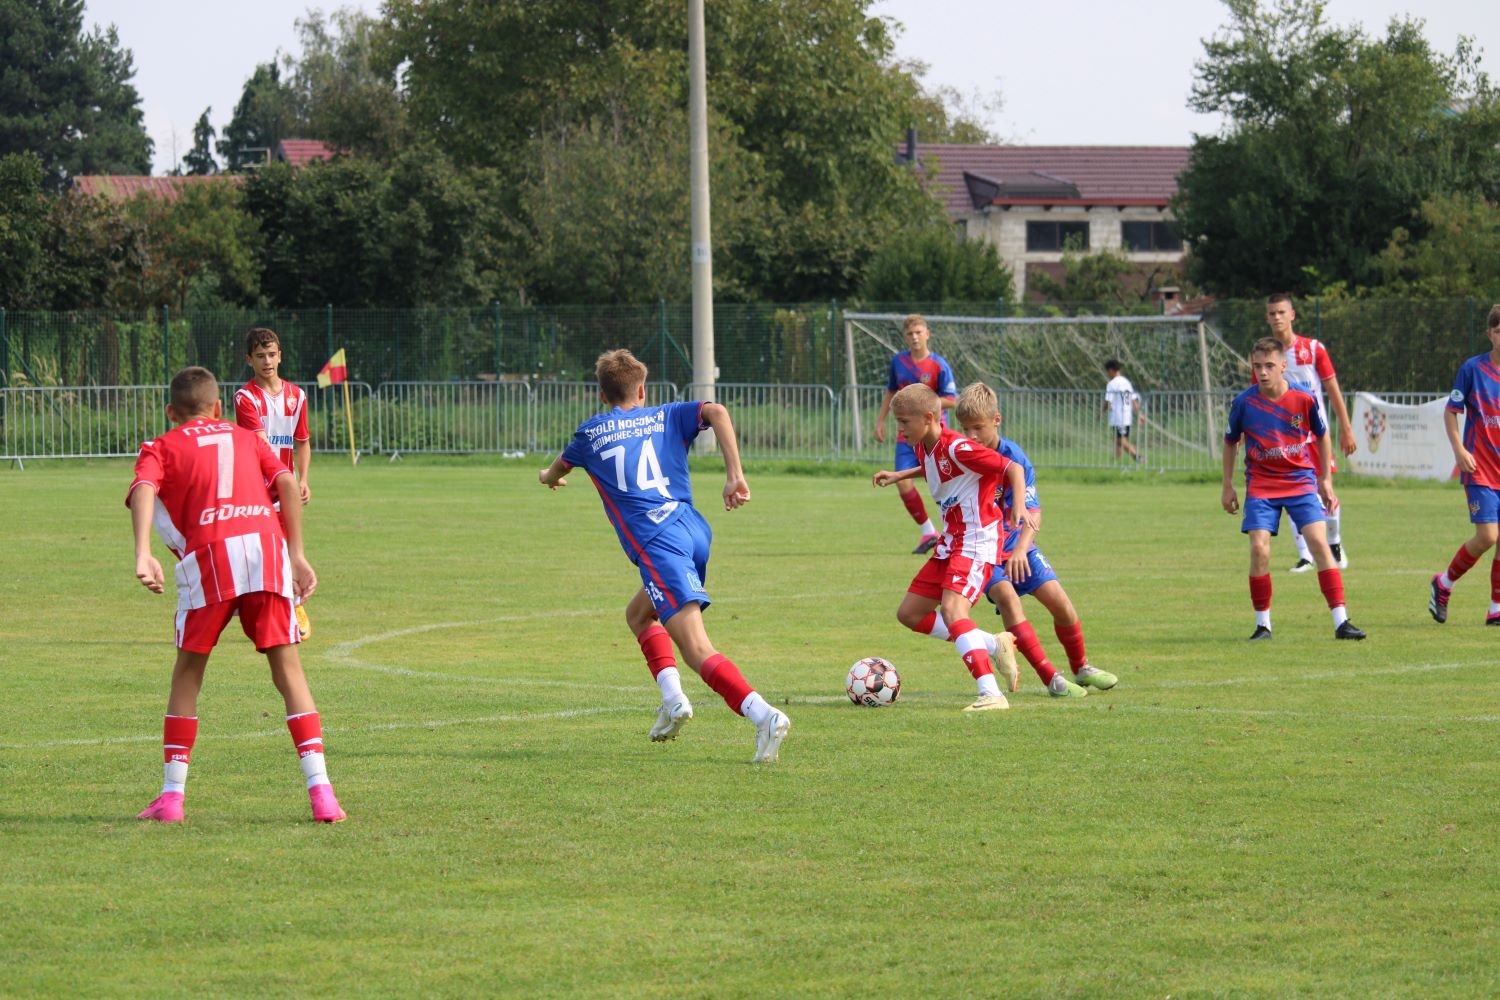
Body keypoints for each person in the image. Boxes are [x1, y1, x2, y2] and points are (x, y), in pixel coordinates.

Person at [537, 349, 790, 763]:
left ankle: (763, 715)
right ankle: (673, 701)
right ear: (642, 389)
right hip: (693, 531)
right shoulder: (668, 414)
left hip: (659, 544)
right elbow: (718, 412)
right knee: (639, 615)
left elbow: (558, 468)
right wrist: (734, 476)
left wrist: (546, 478)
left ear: (602, 396)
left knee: (697, 649)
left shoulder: (590, 434)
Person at [129, 366, 343, 823]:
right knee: (289, 672)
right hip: (266, 550)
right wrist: (297, 554)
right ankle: (322, 793)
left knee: (188, 672)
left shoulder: (161, 445)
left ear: (171, 412)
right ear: (220, 407)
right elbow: (286, 481)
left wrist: (144, 552)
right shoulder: (247, 438)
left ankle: (172, 797)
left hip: (210, 556)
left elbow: (144, 487)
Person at [873, 383, 1027, 711]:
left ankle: (991, 693)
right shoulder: (925, 446)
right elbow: (936, 469)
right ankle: (992, 643)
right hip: (951, 541)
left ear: (929, 418)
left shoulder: (959, 447)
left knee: (953, 611)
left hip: (976, 541)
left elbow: (1010, 467)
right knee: (910, 613)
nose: (899, 429)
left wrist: (1020, 509)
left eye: (904, 422)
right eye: (897, 422)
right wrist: (901, 474)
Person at [955, 382, 1115, 696]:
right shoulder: (963, 456)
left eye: (978, 427)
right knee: (1009, 600)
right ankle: (1051, 679)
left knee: (1063, 606)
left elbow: (1033, 513)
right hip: (983, 551)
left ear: (996, 420)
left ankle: (1081, 668)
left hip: (1018, 546)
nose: (971, 435)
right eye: (965, 428)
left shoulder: (1014, 457)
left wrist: (1021, 550)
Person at [1221, 339, 1366, 642]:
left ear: (1283, 365)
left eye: (1269, 366)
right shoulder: (1244, 403)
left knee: (1318, 542)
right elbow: (1231, 441)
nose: (1262, 372)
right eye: (1257, 366)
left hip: (1300, 481)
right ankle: (1263, 625)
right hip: (1261, 484)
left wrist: (1325, 479)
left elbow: (1323, 436)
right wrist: (1227, 485)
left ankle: (1341, 621)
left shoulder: (1304, 398)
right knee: (1259, 548)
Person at [1263, 293, 1355, 572]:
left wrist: (1346, 428)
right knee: (1290, 492)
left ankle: (1335, 542)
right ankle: (1305, 554)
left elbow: (1332, 389)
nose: (1276, 318)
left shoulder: (1313, 349)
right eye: (1271, 313)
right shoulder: (1266, 355)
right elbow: (1260, 396)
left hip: (1315, 436)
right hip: (1285, 439)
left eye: (1281, 312)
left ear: (1292, 315)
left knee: (1324, 490)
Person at [235, 327, 314, 640]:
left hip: (286, 490)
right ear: (249, 360)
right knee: (255, 550)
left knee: (284, 549)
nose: (267, 361)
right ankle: (250, 603)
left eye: (271, 354)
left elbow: (303, 442)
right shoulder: (245, 398)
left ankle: (294, 604)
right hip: (255, 488)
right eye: (260, 356)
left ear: (280, 356)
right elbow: (261, 445)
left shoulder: (297, 396)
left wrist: (303, 479)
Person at [1429, 304, 1500, 627]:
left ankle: (1496, 607)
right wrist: (1459, 450)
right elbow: (1451, 411)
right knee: (1487, 536)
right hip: (1480, 468)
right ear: (1489, 334)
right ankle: (1444, 583)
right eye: (1499, 331)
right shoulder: (1473, 369)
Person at [873, 315, 958, 554]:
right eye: (910, 334)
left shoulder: (939, 365)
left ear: (927, 334)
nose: (915, 337)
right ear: (905, 337)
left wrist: (922, 404)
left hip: (933, 435)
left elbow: (951, 401)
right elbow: (891, 392)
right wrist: (880, 422)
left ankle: (955, 532)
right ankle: (928, 531)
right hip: (906, 435)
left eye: (919, 332)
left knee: (944, 484)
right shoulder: (898, 362)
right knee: (901, 481)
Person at [1102, 360, 1143, 463]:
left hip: (1118, 417)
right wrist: (1139, 414)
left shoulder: (1112, 384)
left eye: (1107, 372)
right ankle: (1118, 462)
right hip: (1127, 416)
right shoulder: (1126, 382)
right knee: (1118, 441)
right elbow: (1133, 400)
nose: (1107, 374)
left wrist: (1102, 411)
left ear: (1111, 370)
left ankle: (1139, 458)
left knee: (1121, 441)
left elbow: (1108, 401)